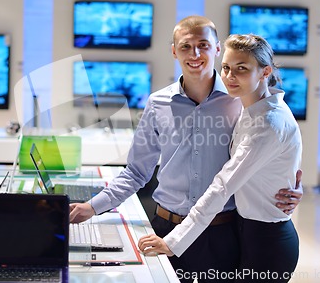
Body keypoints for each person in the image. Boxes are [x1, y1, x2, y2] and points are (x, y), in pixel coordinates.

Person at [70, 16, 303, 282]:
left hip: (223, 233)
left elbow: (273, 150)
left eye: (203, 45)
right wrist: (93, 206)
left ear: (216, 49)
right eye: (185, 46)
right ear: (173, 51)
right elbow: (136, 171)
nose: (195, 54)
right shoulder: (158, 103)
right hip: (164, 226)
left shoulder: (241, 99)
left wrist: (289, 187)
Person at [137, 33, 301, 283]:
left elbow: (223, 186)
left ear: (265, 72)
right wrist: (294, 186)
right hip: (244, 230)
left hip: (267, 243)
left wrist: (172, 242)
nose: (229, 76)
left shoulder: (268, 123)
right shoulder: (249, 107)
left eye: (242, 69)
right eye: (225, 67)